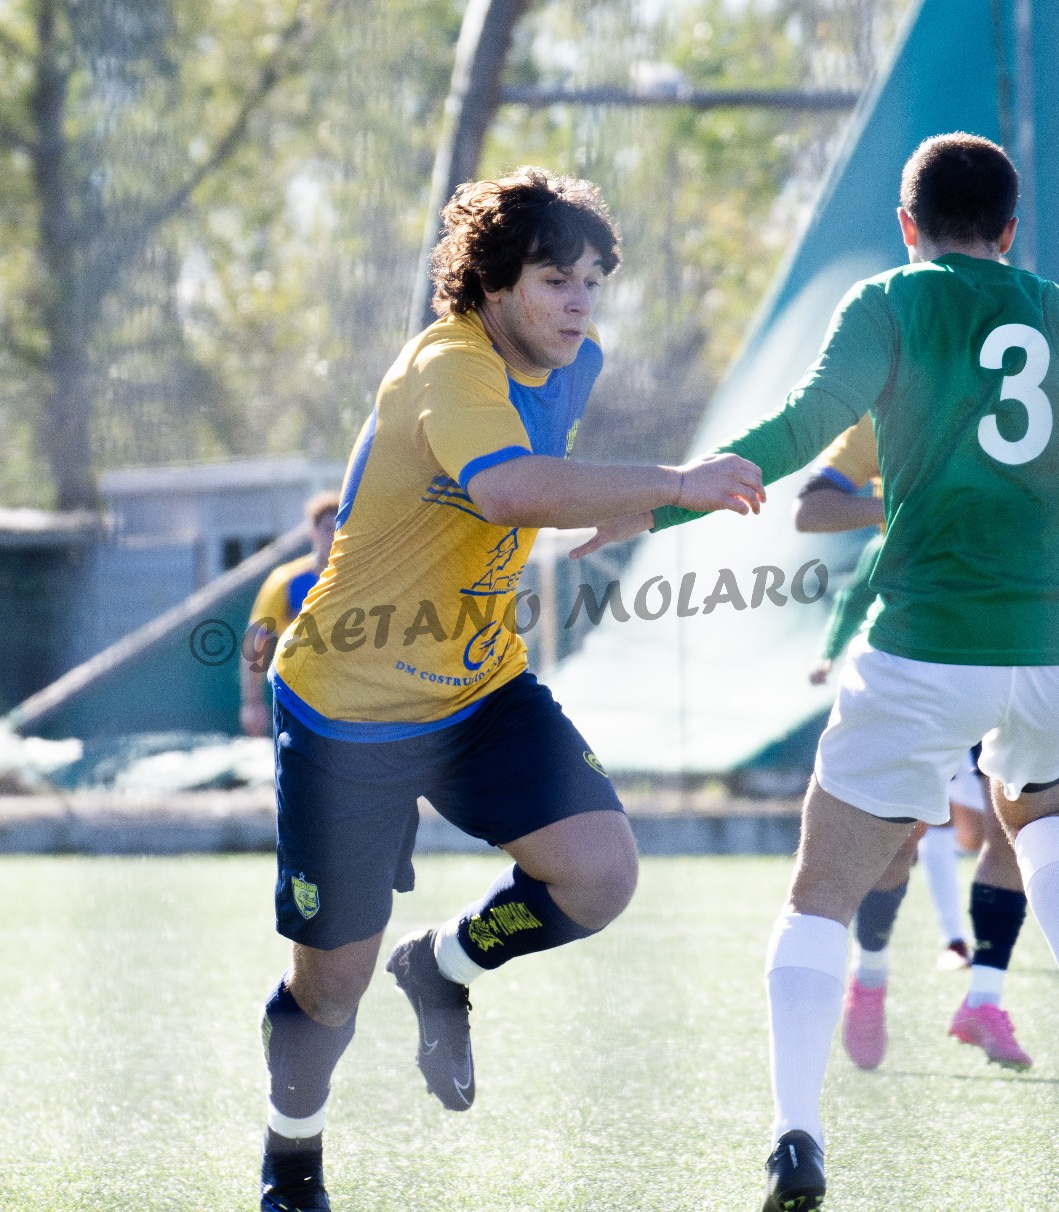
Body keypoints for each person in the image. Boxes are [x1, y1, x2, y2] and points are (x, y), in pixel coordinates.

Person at [574, 132, 1059, 1208]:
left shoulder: (888, 305)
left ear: (907, 228)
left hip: (923, 646)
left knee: (819, 889)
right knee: (1041, 815)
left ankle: (796, 1137)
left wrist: (664, 499)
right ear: (1010, 231)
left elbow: (802, 428)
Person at [252, 167, 764, 1212]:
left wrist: (639, 513)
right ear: (490, 287)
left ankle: (443, 966)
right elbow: (507, 488)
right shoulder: (446, 363)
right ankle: (291, 1158)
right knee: (328, 989)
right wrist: (674, 483)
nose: (578, 304)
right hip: (346, 711)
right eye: (551, 280)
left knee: (600, 877)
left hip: (481, 686)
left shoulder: (576, 364)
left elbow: (551, 495)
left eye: (589, 282)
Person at [796, 419, 1034, 1073]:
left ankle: (983, 996)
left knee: (1019, 823)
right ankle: (869, 973)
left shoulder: (1029, 396)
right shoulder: (886, 412)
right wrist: (906, 502)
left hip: (1012, 639)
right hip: (914, 655)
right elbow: (812, 509)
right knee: (899, 839)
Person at [241, 491, 341, 737]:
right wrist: (252, 703)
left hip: (344, 699)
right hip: (297, 697)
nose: (335, 536)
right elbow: (256, 640)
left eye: (340, 528)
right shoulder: (286, 581)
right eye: (328, 528)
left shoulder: (356, 580)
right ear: (313, 533)